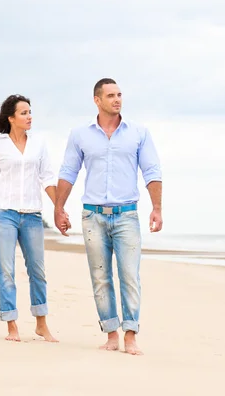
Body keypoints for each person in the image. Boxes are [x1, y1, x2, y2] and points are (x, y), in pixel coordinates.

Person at [54, 78, 163, 355]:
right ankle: (111, 334)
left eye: (119, 95)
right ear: (97, 100)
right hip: (93, 216)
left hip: (127, 215)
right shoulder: (80, 134)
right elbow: (69, 172)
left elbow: (152, 171)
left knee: (129, 275)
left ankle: (130, 335)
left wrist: (157, 208)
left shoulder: (139, 133)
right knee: (100, 277)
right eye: (111, 95)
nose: (117, 99)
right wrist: (59, 207)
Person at [0, 94, 58, 343]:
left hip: (33, 214)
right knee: (6, 271)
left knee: (37, 271)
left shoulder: (39, 143)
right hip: (4, 214)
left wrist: (59, 207)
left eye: (30, 112)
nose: (29, 116)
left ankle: (41, 324)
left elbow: (47, 178)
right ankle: (12, 326)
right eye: (23, 113)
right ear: (11, 118)